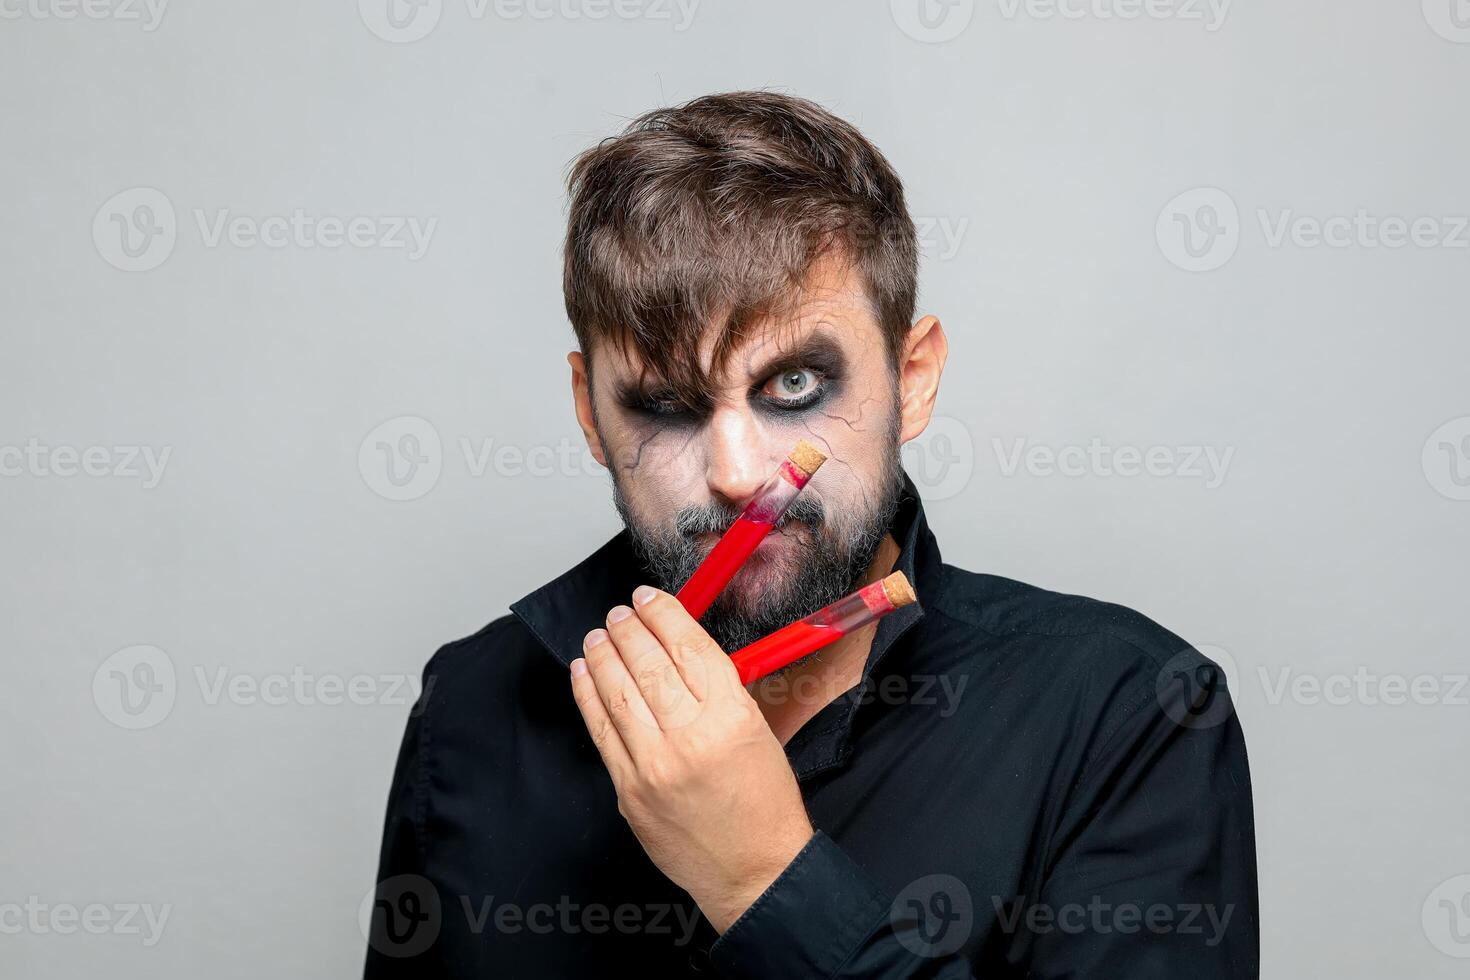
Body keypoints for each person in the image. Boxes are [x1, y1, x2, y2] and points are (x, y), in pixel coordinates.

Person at [363, 90, 1258, 978]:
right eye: (667, 405)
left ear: (912, 379)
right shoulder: (474, 705)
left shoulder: (1132, 712)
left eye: (794, 387)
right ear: (588, 414)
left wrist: (764, 880)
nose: (739, 472)